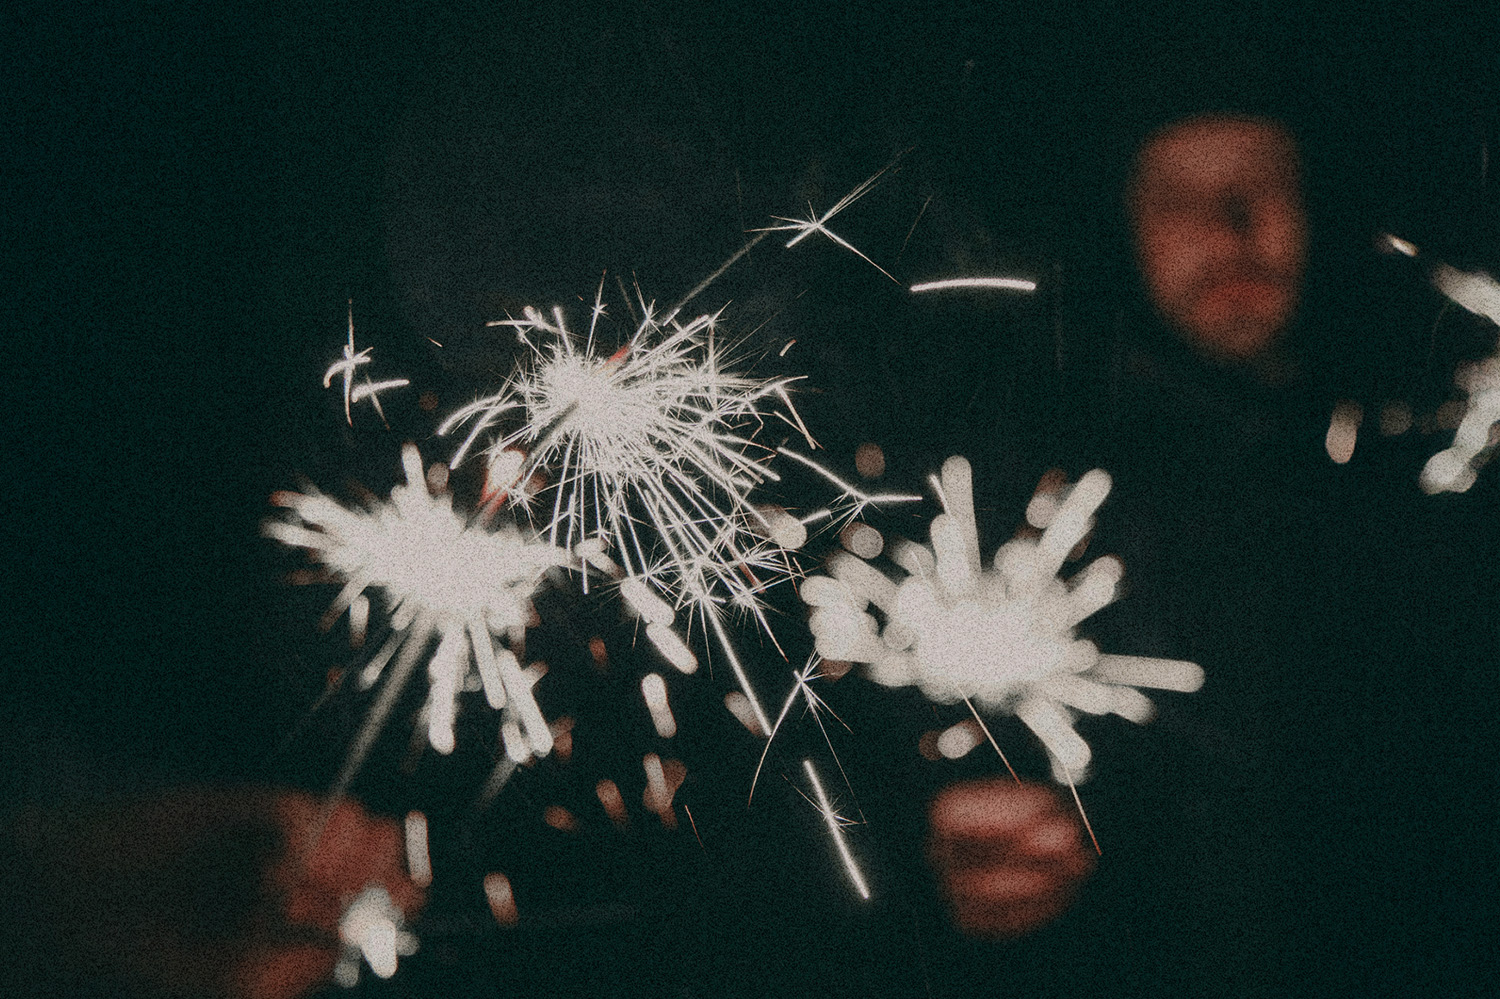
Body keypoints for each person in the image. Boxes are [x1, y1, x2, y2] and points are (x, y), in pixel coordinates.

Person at [923, 112, 1496, 996]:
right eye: (1176, 195)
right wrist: (954, 866)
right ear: (1121, 226)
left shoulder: (1451, 471)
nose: (1229, 227)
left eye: (1262, 180)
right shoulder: (1022, 491)